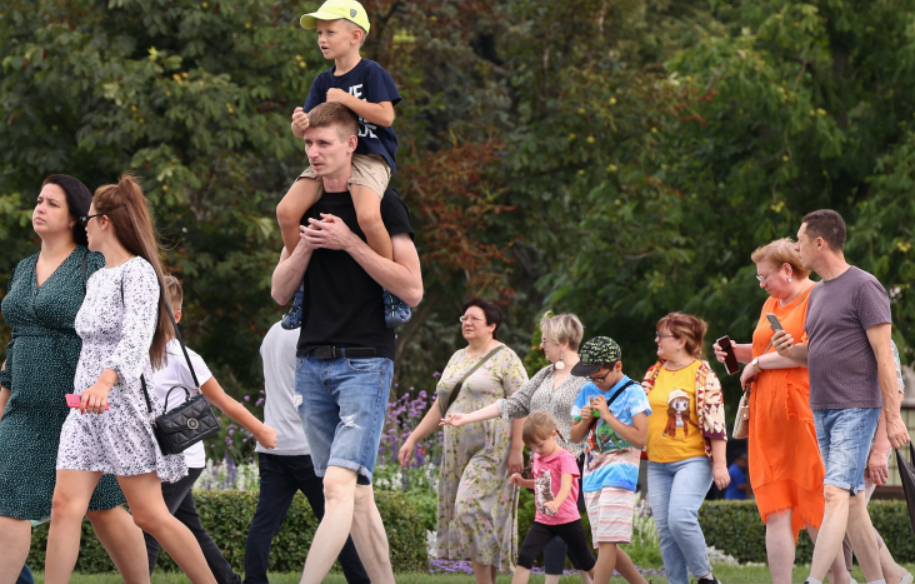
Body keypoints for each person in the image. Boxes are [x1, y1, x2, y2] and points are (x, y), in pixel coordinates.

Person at [270, 102, 423, 584]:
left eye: (324, 144)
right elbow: (279, 291)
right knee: (355, 495)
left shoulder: (382, 204)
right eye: (309, 144)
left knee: (337, 486)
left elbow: (413, 289)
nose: (313, 153)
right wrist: (309, 246)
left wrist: (350, 243)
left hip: (365, 364)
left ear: (351, 145)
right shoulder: (303, 209)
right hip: (311, 364)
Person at [45, 174, 218, 584]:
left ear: (105, 222)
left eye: (87, 218)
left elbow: (137, 337)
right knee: (64, 505)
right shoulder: (98, 276)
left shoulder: (139, 273)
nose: (82, 225)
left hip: (122, 407)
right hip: (85, 410)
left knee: (151, 515)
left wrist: (105, 382)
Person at [0, 175, 151, 584]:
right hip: (25, 408)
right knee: (9, 499)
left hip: (81, 404)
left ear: (73, 217)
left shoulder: (94, 264)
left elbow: (120, 332)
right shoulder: (23, 268)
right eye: (39, 200)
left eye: (51, 203)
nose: (40, 208)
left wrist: (106, 384)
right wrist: (3, 402)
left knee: (103, 509)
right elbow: (16, 345)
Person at [773, 209, 910, 584]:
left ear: (820, 242)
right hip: (823, 408)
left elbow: (885, 356)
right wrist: (789, 351)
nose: (795, 246)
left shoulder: (865, 287)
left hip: (856, 407)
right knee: (850, 504)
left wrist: (894, 418)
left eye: (799, 240)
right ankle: (884, 581)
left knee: (834, 496)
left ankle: (814, 582)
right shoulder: (818, 294)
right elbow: (815, 351)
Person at [711, 237, 847, 584]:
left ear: (787, 270)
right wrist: (737, 353)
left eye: (764, 276)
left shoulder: (818, 296)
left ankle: (840, 579)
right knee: (775, 506)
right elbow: (764, 350)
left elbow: (813, 349)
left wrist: (756, 362)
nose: (762, 284)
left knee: (815, 500)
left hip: (801, 410)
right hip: (766, 416)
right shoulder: (773, 301)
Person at [276, 0, 409, 327]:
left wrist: (347, 100)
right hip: (329, 159)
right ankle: (302, 288)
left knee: (366, 215)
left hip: (367, 156)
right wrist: (298, 123)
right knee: (286, 212)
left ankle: (391, 290)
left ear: (355, 36)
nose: (322, 38)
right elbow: (305, 128)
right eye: (319, 32)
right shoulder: (322, 82)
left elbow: (386, 116)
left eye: (329, 31)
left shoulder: (371, 72)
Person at [438, 312, 596, 583]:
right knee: (557, 533)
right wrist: (467, 417)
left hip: (575, 465)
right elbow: (511, 403)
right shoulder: (546, 374)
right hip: (546, 467)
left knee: (570, 536)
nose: (541, 345)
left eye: (546, 340)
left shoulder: (589, 378)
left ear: (564, 343)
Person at [145, 276, 278, 583]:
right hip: (158, 456)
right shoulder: (137, 355)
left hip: (183, 458)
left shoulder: (183, 358)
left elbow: (223, 401)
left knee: (150, 524)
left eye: (160, 314)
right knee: (189, 527)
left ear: (177, 317)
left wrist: (260, 430)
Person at [399, 298, 527, 584]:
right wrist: (413, 437)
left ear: (492, 326)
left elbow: (522, 402)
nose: (467, 323)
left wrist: (517, 448)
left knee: (469, 509)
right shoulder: (457, 357)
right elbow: (440, 406)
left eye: (474, 319)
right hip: (456, 451)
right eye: (464, 319)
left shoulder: (506, 358)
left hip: (493, 449)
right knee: (480, 516)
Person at [244, 321, 370, 584]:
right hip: (308, 446)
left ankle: (254, 581)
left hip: (273, 444)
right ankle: (361, 580)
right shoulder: (314, 333)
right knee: (338, 519)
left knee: (264, 523)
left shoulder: (272, 332)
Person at [642, 312, 729, 584]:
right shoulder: (653, 372)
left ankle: (705, 577)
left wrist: (720, 465)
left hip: (692, 461)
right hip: (657, 463)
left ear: (680, 341)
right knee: (666, 530)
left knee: (680, 519)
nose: (656, 340)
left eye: (662, 336)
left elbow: (716, 424)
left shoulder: (704, 376)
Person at [569, 337, 651, 584]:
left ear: (617, 366)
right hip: (592, 475)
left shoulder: (633, 392)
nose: (596, 383)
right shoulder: (587, 390)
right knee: (606, 542)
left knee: (607, 540)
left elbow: (640, 439)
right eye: (591, 378)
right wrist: (584, 420)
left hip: (619, 473)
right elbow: (574, 437)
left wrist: (607, 415)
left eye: (600, 377)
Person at [840, 342, 913, 584]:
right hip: (843, 443)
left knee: (847, 513)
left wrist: (880, 450)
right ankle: (889, 574)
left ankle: (889, 574)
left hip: (867, 444)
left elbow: (895, 392)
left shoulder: (879, 336)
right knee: (841, 515)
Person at [509, 411, 596, 584]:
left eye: (540, 446)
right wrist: (522, 482)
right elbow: (542, 484)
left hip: (567, 520)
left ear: (554, 435)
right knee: (525, 557)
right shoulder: (538, 457)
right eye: (532, 448)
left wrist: (556, 503)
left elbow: (566, 486)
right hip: (544, 521)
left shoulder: (565, 459)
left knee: (585, 560)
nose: (536, 451)